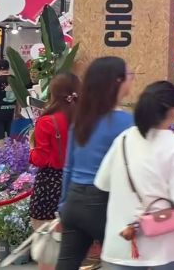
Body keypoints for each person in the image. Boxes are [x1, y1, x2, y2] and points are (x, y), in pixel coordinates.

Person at [95, 80, 174, 268]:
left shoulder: (123, 139)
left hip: (121, 245)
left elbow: (103, 183)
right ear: (172, 112)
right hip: (165, 250)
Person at [57, 57, 135, 270]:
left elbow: (68, 166)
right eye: (129, 75)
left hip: (74, 200)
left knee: (67, 264)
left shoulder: (81, 119)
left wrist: (63, 205)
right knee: (126, 262)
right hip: (104, 202)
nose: (133, 80)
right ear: (117, 81)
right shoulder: (127, 123)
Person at [29, 72, 79, 270]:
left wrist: (31, 150)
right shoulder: (85, 120)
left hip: (49, 185)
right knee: (72, 251)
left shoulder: (47, 121)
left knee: (47, 253)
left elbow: (40, 158)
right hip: (77, 186)